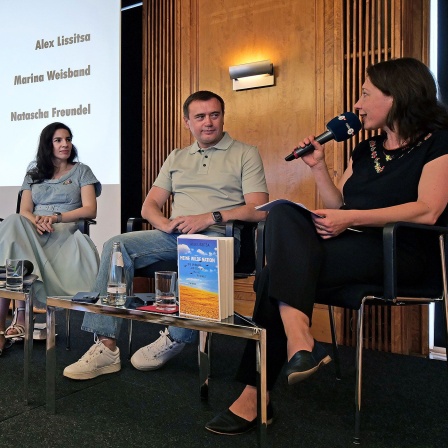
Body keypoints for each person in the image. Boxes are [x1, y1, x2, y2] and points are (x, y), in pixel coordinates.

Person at [205, 57, 448, 435]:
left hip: (402, 252)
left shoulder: (439, 142)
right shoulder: (365, 150)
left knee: (271, 278)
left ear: (398, 96)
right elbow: (339, 207)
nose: (357, 104)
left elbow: (428, 210)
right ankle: (298, 341)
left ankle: (260, 389)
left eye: (366, 94)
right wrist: (318, 167)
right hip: (351, 247)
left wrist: (350, 221)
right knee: (283, 214)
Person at [63, 90, 269, 380]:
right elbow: (150, 205)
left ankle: (175, 337)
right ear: (187, 122)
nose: (208, 122)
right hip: (175, 235)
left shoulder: (245, 153)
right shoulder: (177, 157)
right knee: (116, 245)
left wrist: (209, 217)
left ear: (223, 117)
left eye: (214, 115)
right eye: (199, 117)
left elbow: (259, 209)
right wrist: (164, 223)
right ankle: (106, 346)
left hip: (220, 239)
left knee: (197, 252)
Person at [0, 122, 101, 356]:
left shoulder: (82, 170)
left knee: (11, 252)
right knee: (14, 222)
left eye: (68, 139)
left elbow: (90, 210)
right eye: (58, 140)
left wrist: (55, 218)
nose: (65, 144)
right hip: (34, 227)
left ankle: (19, 316)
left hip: (63, 229)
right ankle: (6, 325)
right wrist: (36, 220)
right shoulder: (34, 171)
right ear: (48, 144)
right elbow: (25, 209)